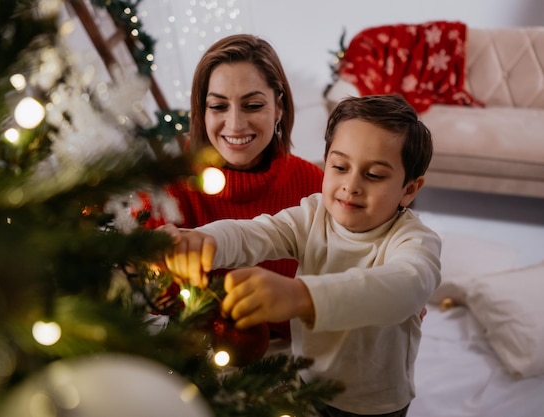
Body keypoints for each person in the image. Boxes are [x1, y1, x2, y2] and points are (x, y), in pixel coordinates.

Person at [160, 94, 442, 417]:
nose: (351, 185)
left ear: (409, 188)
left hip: (373, 404)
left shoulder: (414, 241)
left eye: (374, 175)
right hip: (308, 381)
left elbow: (404, 288)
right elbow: (254, 233)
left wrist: (300, 296)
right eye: (339, 167)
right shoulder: (312, 215)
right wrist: (201, 240)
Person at [165, 34, 324, 339]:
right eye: (218, 106)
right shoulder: (171, 187)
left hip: (299, 365)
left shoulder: (313, 184)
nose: (235, 124)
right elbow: (151, 299)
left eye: (252, 105)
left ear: (278, 108)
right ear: (203, 111)